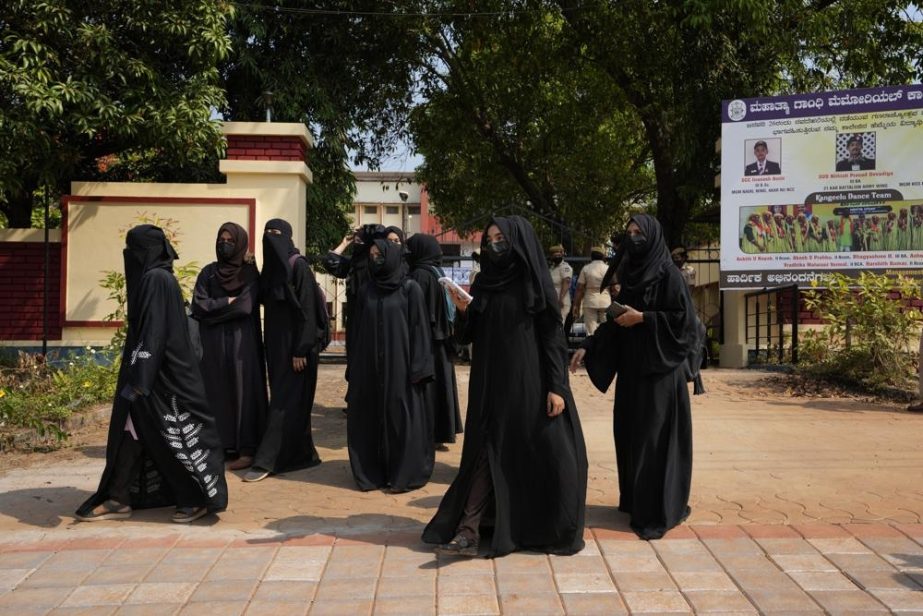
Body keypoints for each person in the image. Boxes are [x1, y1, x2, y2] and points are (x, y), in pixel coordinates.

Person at [423, 216, 588, 558]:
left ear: (518, 242)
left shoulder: (532, 280)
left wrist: (557, 386)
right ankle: (468, 531)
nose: (494, 245)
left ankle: (536, 525)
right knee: (486, 448)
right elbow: (473, 334)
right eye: (490, 239)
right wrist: (466, 312)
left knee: (539, 452)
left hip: (530, 382)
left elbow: (552, 336)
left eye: (501, 239)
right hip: (490, 380)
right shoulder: (484, 281)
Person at [76, 225, 228, 523]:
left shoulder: (157, 279)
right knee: (132, 430)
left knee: (171, 436)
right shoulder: (156, 277)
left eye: (132, 249)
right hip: (151, 374)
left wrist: (140, 380)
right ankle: (119, 497)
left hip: (166, 377)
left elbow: (155, 334)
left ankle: (194, 497)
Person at [570, 214, 697, 540]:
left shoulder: (669, 274)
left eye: (640, 232)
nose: (634, 238)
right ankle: (637, 501)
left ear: (653, 236)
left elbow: (685, 323)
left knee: (653, 443)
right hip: (632, 373)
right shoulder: (632, 274)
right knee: (631, 438)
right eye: (629, 233)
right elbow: (617, 320)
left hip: (659, 376)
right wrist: (590, 345)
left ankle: (658, 508)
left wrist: (645, 318)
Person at [346, 238, 435, 492]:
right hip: (370, 367)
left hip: (402, 367)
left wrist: (419, 368)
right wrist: (354, 368)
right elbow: (357, 330)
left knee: (401, 419)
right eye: (372, 255)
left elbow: (420, 330)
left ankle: (403, 473)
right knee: (370, 419)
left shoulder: (410, 289)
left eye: (380, 255)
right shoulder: (366, 291)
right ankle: (372, 474)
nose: (375, 259)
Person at [244, 219, 323, 482]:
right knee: (289, 402)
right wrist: (250, 267)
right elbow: (263, 297)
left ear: (287, 237)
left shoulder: (298, 266)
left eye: (275, 233)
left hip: (298, 349)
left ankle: (268, 460)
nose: (270, 237)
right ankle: (301, 455)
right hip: (276, 348)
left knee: (284, 404)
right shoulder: (272, 270)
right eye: (266, 232)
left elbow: (309, 313)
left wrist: (301, 349)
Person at [191, 222, 267, 471]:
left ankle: (246, 449)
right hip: (213, 345)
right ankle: (221, 446)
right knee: (216, 392)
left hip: (242, 344)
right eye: (221, 239)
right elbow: (198, 306)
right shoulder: (208, 272)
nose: (224, 244)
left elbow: (245, 307)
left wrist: (215, 309)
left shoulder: (249, 273)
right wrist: (226, 302)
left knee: (242, 391)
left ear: (240, 243)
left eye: (230, 241)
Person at [406, 233, 463, 448]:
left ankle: (427, 433)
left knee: (428, 390)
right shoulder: (437, 272)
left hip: (427, 342)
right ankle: (441, 432)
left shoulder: (419, 275)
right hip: (442, 340)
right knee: (443, 388)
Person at [572, 247, 611, 336]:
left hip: (590, 301)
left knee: (591, 332)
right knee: (607, 330)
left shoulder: (586, 268)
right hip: (605, 301)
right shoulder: (608, 268)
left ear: (591, 256)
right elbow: (614, 287)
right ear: (603, 257)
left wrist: (576, 305)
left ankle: (592, 348)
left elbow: (579, 289)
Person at [548, 244, 573, 321]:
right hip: (552, 301)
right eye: (555, 255)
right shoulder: (552, 268)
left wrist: (561, 299)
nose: (557, 257)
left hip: (561, 302)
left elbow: (566, 282)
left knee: (560, 325)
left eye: (558, 255)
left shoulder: (565, 267)